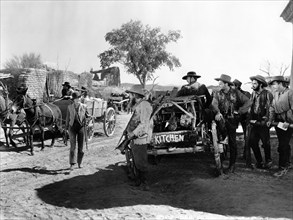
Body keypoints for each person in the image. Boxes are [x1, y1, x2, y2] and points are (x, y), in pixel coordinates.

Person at [211, 74, 251, 173]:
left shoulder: (236, 92)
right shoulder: (217, 93)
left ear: (226, 84)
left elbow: (248, 102)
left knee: (232, 142)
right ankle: (220, 160)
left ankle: (232, 165)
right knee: (220, 139)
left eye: (220, 83)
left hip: (232, 120)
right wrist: (218, 112)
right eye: (218, 83)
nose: (219, 85)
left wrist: (240, 111)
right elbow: (214, 104)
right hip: (221, 119)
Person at [125, 84, 153, 190]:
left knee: (141, 161)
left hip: (141, 136)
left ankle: (144, 184)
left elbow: (143, 123)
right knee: (136, 159)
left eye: (131, 94)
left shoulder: (144, 105)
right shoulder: (139, 104)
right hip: (136, 136)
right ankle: (138, 181)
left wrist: (133, 133)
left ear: (135, 95)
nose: (130, 96)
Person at [267, 76, 293, 177]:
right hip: (278, 123)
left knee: (283, 145)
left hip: (288, 123)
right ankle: (288, 162)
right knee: (283, 144)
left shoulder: (290, 93)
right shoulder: (276, 94)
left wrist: (290, 121)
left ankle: (282, 167)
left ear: (281, 84)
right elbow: (272, 108)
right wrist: (270, 120)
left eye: (274, 84)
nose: (273, 86)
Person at [247, 75, 273, 169]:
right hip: (254, 122)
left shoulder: (267, 93)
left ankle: (268, 161)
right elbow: (250, 106)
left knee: (266, 143)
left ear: (260, 84)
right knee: (252, 142)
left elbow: (271, 108)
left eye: (255, 83)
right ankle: (259, 161)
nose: (253, 85)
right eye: (252, 83)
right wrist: (248, 117)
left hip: (263, 122)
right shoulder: (253, 93)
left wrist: (268, 120)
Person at [65, 91, 89, 170]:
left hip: (81, 128)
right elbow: (68, 118)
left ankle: (80, 162)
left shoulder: (84, 106)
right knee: (73, 146)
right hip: (72, 127)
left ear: (80, 98)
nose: (77, 100)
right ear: (73, 99)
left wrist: (87, 120)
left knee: (81, 147)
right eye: (75, 98)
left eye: (78, 98)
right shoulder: (69, 107)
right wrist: (66, 128)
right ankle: (72, 163)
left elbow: (88, 116)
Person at [232, 79, 251, 159]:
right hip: (236, 116)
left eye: (233, 85)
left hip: (244, 116)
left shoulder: (245, 94)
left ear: (237, 86)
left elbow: (248, 104)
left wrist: (239, 111)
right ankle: (236, 154)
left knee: (247, 136)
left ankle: (246, 155)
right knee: (232, 134)